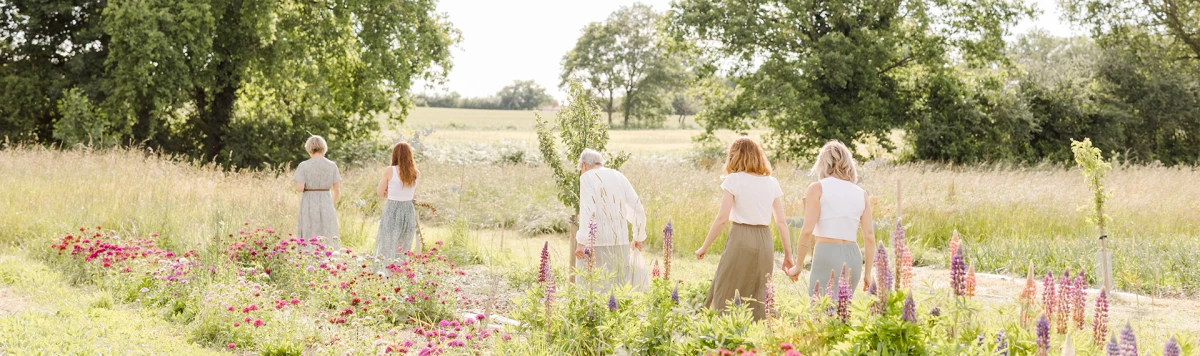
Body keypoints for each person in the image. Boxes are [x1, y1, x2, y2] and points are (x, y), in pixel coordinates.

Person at [695, 138, 794, 320]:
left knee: (726, 285)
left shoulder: (734, 180)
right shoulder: (771, 182)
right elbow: (781, 221)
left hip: (740, 237)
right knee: (759, 289)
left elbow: (722, 219)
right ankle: (757, 330)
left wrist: (704, 247)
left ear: (734, 156)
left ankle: (724, 328)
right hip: (765, 239)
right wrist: (788, 255)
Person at [786, 140, 876, 296]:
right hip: (853, 256)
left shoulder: (817, 188)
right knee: (843, 311)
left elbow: (807, 231)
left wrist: (798, 265)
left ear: (823, 164)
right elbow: (869, 237)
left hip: (826, 252)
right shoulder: (861, 193)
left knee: (820, 308)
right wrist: (867, 273)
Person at [573, 149, 647, 291]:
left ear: (583, 165)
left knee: (590, 285)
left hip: (595, 243)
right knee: (618, 285)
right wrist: (638, 235)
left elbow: (587, 210)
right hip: (620, 240)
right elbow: (637, 207)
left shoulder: (587, 177)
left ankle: (592, 314)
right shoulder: (619, 176)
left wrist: (582, 242)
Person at [294, 135, 342, 251]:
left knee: (308, 231)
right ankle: (328, 257)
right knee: (327, 231)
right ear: (323, 148)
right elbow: (337, 189)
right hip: (326, 200)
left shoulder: (303, 165)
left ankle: (307, 256)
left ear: (309, 148)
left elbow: (299, 188)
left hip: (309, 201)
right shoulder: (332, 165)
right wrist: (331, 203)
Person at [375, 142, 420, 264]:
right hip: (408, 209)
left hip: (393, 208)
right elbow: (413, 194)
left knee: (387, 241)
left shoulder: (390, 170)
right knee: (404, 243)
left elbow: (379, 192)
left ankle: (384, 267)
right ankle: (399, 268)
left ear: (395, 155)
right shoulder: (415, 173)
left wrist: (389, 194)